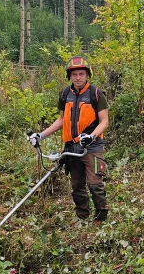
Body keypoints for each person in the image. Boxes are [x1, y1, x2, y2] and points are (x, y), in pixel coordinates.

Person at [27, 56, 110, 222]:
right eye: (74, 74)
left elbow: (105, 121)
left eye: (81, 74)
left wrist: (91, 136)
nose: (78, 77)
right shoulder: (65, 94)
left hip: (92, 146)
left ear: (87, 75)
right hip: (71, 147)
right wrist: (41, 135)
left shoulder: (96, 94)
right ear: (69, 76)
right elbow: (61, 120)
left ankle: (101, 220)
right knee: (76, 186)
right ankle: (82, 218)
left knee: (95, 184)